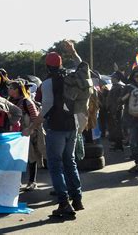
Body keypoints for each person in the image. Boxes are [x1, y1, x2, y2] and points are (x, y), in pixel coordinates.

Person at [33, 49, 84, 217]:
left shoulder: (48, 83)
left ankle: (63, 203)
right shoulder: (70, 76)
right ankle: (77, 199)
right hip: (72, 125)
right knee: (70, 162)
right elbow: (84, 70)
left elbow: (46, 105)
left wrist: (31, 126)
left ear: (47, 66)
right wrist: (74, 52)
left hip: (56, 128)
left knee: (55, 165)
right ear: (61, 63)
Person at [8, 80, 45, 191]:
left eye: (11, 88)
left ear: (16, 90)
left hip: (27, 133)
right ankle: (17, 181)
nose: (8, 90)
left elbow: (35, 118)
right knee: (15, 158)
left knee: (31, 157)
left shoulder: (27, 102)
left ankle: (32, 181)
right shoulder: (9, 101)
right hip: (15, 135)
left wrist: (30, 130)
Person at [107, 72, 125, 151]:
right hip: (113, 110)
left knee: (118, 128)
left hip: (117, 110)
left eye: (112, 78)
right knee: (115, 128)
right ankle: (117, 144)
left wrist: (116, 109)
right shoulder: (113, 87)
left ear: (116, 79)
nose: (111, 79)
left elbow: (120, 100)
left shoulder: (119, 87)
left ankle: (119, 145)